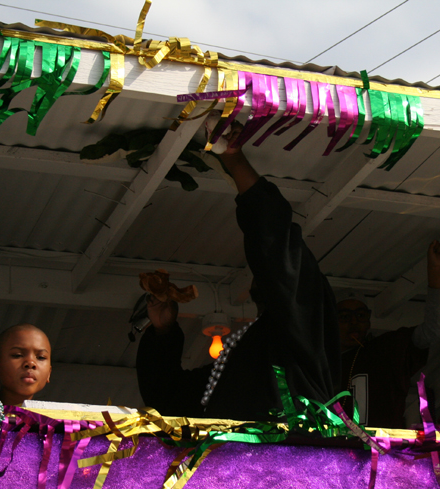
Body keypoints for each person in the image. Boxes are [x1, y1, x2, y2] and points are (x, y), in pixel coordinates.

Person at [136, 124, 340, 421]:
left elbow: (278, 247)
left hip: (294, 463)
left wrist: (235, 160)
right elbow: (170, 399)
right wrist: (163, 332)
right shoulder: (246, 356)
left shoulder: (309, 335)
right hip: (234, 466)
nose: (261, 273)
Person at [337, 240, 440, 429]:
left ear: (369, 320)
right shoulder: (318, 362)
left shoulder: (385, 350)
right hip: (331, 451)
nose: (354, 322)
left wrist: (435, 272)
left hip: (383, 450)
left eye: (360, 315)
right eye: (345, 317)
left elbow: (432, 332)